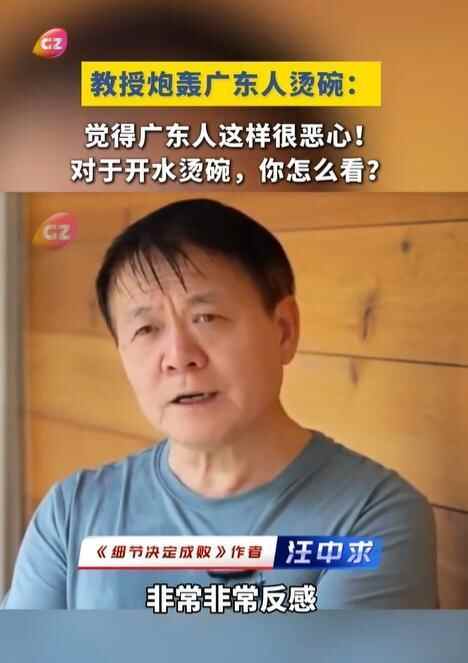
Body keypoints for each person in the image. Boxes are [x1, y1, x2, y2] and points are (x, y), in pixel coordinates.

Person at [1, 199, 437, 608]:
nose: (178, 357)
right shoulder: (72, 513)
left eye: (206, 318)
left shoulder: (371, 517)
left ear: (283, 330)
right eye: (146, 329)